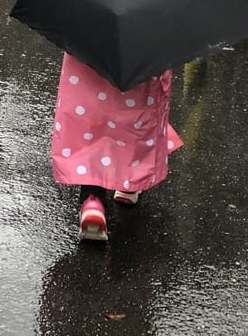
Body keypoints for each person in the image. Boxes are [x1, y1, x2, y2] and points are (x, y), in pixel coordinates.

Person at [53, 56, 182, 242]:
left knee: (90, 113)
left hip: (87, 43)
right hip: (141, 52)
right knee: (137, 111)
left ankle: (92, 199)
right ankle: (128, 182)